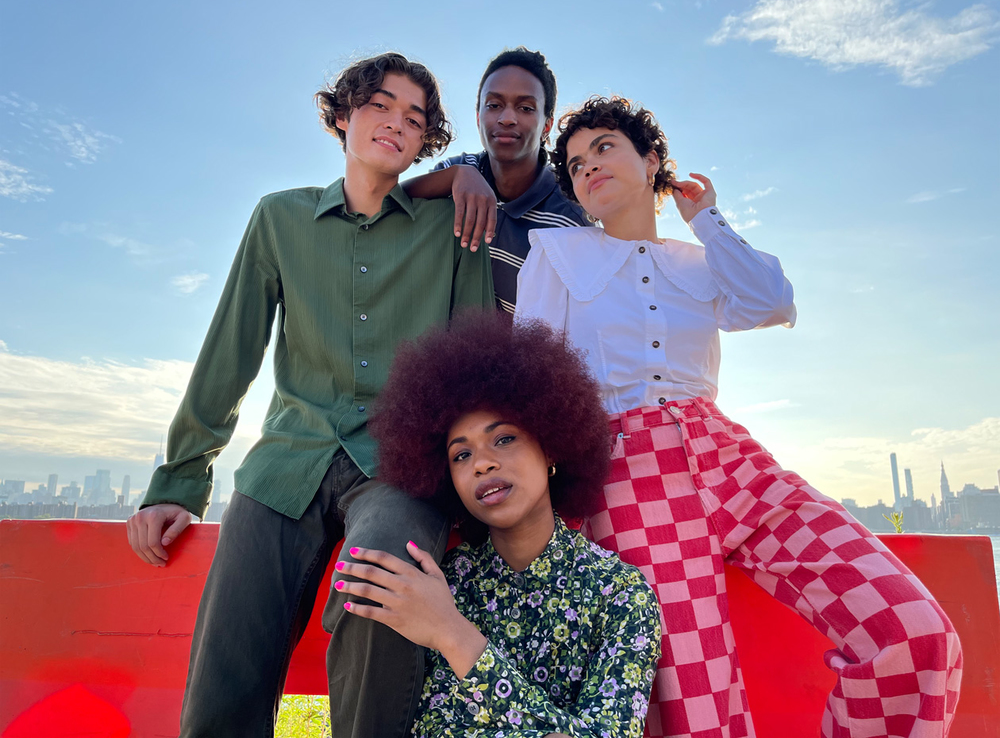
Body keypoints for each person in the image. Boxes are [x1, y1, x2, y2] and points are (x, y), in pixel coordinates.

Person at [515, 96, 963, 738]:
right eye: (577, 163)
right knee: (693, 705)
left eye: (604, 146)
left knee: (912, 632)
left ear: (652, 161)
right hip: (627, 470)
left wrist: (707, 218)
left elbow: (773, 303)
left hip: (731, 455)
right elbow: (532, 377)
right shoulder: (558, 254)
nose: (588, 166)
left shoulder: (699, 259)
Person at [125, 53, 494, 738]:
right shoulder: (278, 218)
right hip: (287, 461)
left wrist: (475, 494)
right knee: (231, 640)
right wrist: (178, 481)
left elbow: (474, 361)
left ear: (425, 142)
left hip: (399, 465)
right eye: (380, 105)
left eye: (414, 118)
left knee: (380, 582)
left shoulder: (452, 229)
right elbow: (231, 351)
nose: (396, 123)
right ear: (343, 116)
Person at [335, 312, 662, 737]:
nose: (483, 463)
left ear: (550, 448)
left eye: (504, 439)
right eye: (461, 454)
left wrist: (453, 634)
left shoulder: (621, 596)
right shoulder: (440, 582)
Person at [404, 47, 588, 314]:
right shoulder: (457, 171)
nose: (507, 118)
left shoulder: (570, 217)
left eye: (526, 108)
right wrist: (456, 175)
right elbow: (394, 203)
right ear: (478, 116)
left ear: (546, 125)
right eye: (494, 105)